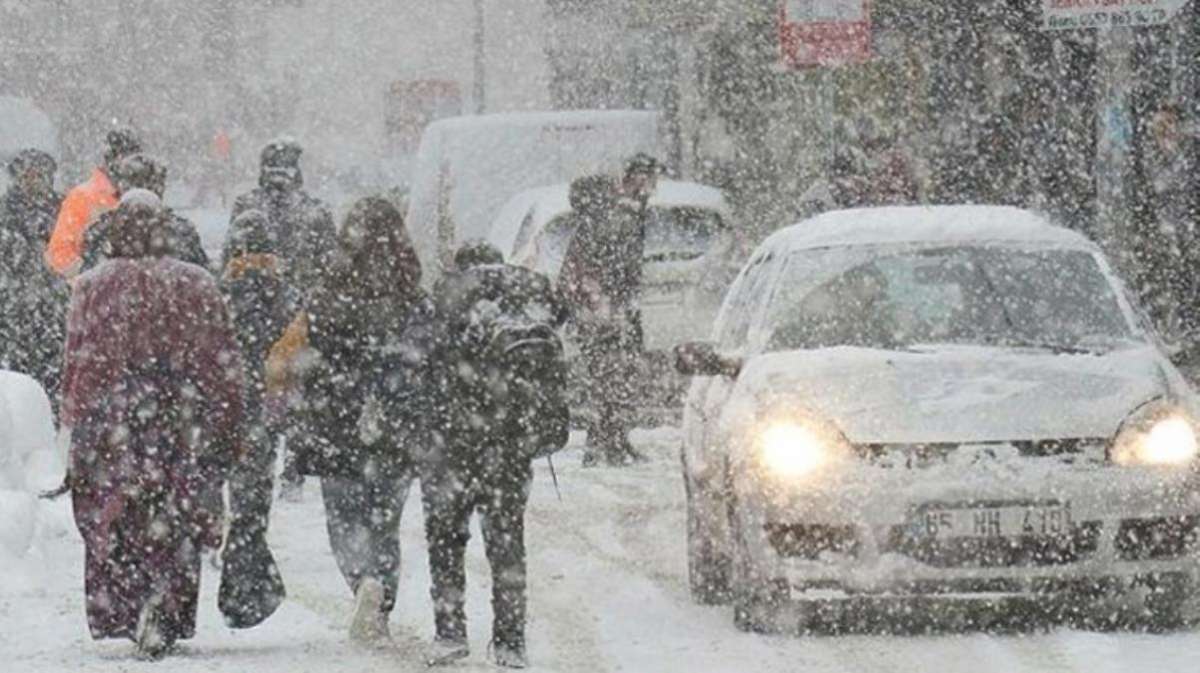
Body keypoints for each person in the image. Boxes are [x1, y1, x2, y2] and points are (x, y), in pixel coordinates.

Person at [59, 189, 245, 659]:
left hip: (113, 423)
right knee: (176, 516)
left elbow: (78, 363)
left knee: (119, 518)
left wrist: (75, 421)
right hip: (181, 420)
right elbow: (219, 360)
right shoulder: (197, 283)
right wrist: (226, 419)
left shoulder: (91, 286)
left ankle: (127, 604)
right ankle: (165, 604)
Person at [268, 196, 437, 646]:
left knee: (345, 519)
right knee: (385, 519)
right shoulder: (412, 294)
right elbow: (423, 359)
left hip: (335, 422)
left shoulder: (327, 294)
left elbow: (306, 356)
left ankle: (360, 578)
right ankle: (380, 594)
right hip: (394, 425)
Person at [422, 241, 570, 668]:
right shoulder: (529, 296)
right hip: (510, 442)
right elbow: (564, 320)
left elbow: (422, 362)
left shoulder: (447, 298)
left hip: (453, 440)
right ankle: (510, 641)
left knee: (446, 538)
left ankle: (450, 632)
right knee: (506, 541)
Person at [229, 138, 337, 499]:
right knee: (295, 390)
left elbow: (231, 259)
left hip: (251, 314)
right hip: (298, 313)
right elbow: (329, 266)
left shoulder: (246, 207)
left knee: (258, 388)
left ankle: (259, 454)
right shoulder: (315, 211)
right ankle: (292, 467)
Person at [216, 209, 297, 628]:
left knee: (232, 495)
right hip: (266, 409)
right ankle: (245, 586)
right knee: (252, 501)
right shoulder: (286, 294)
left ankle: (243, 582)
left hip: (222, 406)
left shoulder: (219, 292)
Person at [558, 157, 658, 466]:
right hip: (603, 307)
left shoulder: (627, 211)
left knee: (610, 375)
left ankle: (609, 439)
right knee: (611, 374)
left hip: (606, 306)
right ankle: (606, 442)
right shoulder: (620, 214)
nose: (652, 186)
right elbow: (609, 264)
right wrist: (609, 305)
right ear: (633, 178)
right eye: (647, 178)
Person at [0, 149, 68, 410]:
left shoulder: (62, 210)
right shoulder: (5, 212)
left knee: (53, 368)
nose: (33, 180)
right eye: (27, 174)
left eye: (38, 174)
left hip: (53, 305)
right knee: (15, 373)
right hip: (12, 307)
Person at [79, 153, 209, 273]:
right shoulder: (182, 231)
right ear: (159, 189)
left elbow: (85, 283)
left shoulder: (100, 232)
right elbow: (203, 283)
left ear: (121, 187)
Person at [45, 128, 142, 276]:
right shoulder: (82, 197)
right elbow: (59, 252)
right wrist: (89, 275)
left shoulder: (141, 196)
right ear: (111, 160)